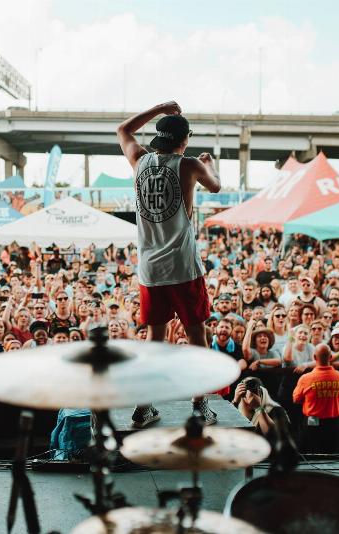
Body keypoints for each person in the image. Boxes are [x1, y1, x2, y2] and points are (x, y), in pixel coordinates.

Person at [117, 100, 220, 427]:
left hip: (150, 269)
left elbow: (123, 130)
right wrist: (208, 163)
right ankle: (200, 404)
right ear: (184, 139)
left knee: (155, 340)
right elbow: (216, 186)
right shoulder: (189, 165)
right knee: (196, 339)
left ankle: (144, 405)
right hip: (184, 268)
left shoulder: (139, 161)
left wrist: (161, 108)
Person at [292, 345, 339, 453]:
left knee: (311, 456)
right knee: (332, 456)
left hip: (312, 423)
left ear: (315, 357)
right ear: (331, 357)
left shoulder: (305, 378)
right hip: (333, 423)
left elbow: (296, 399)